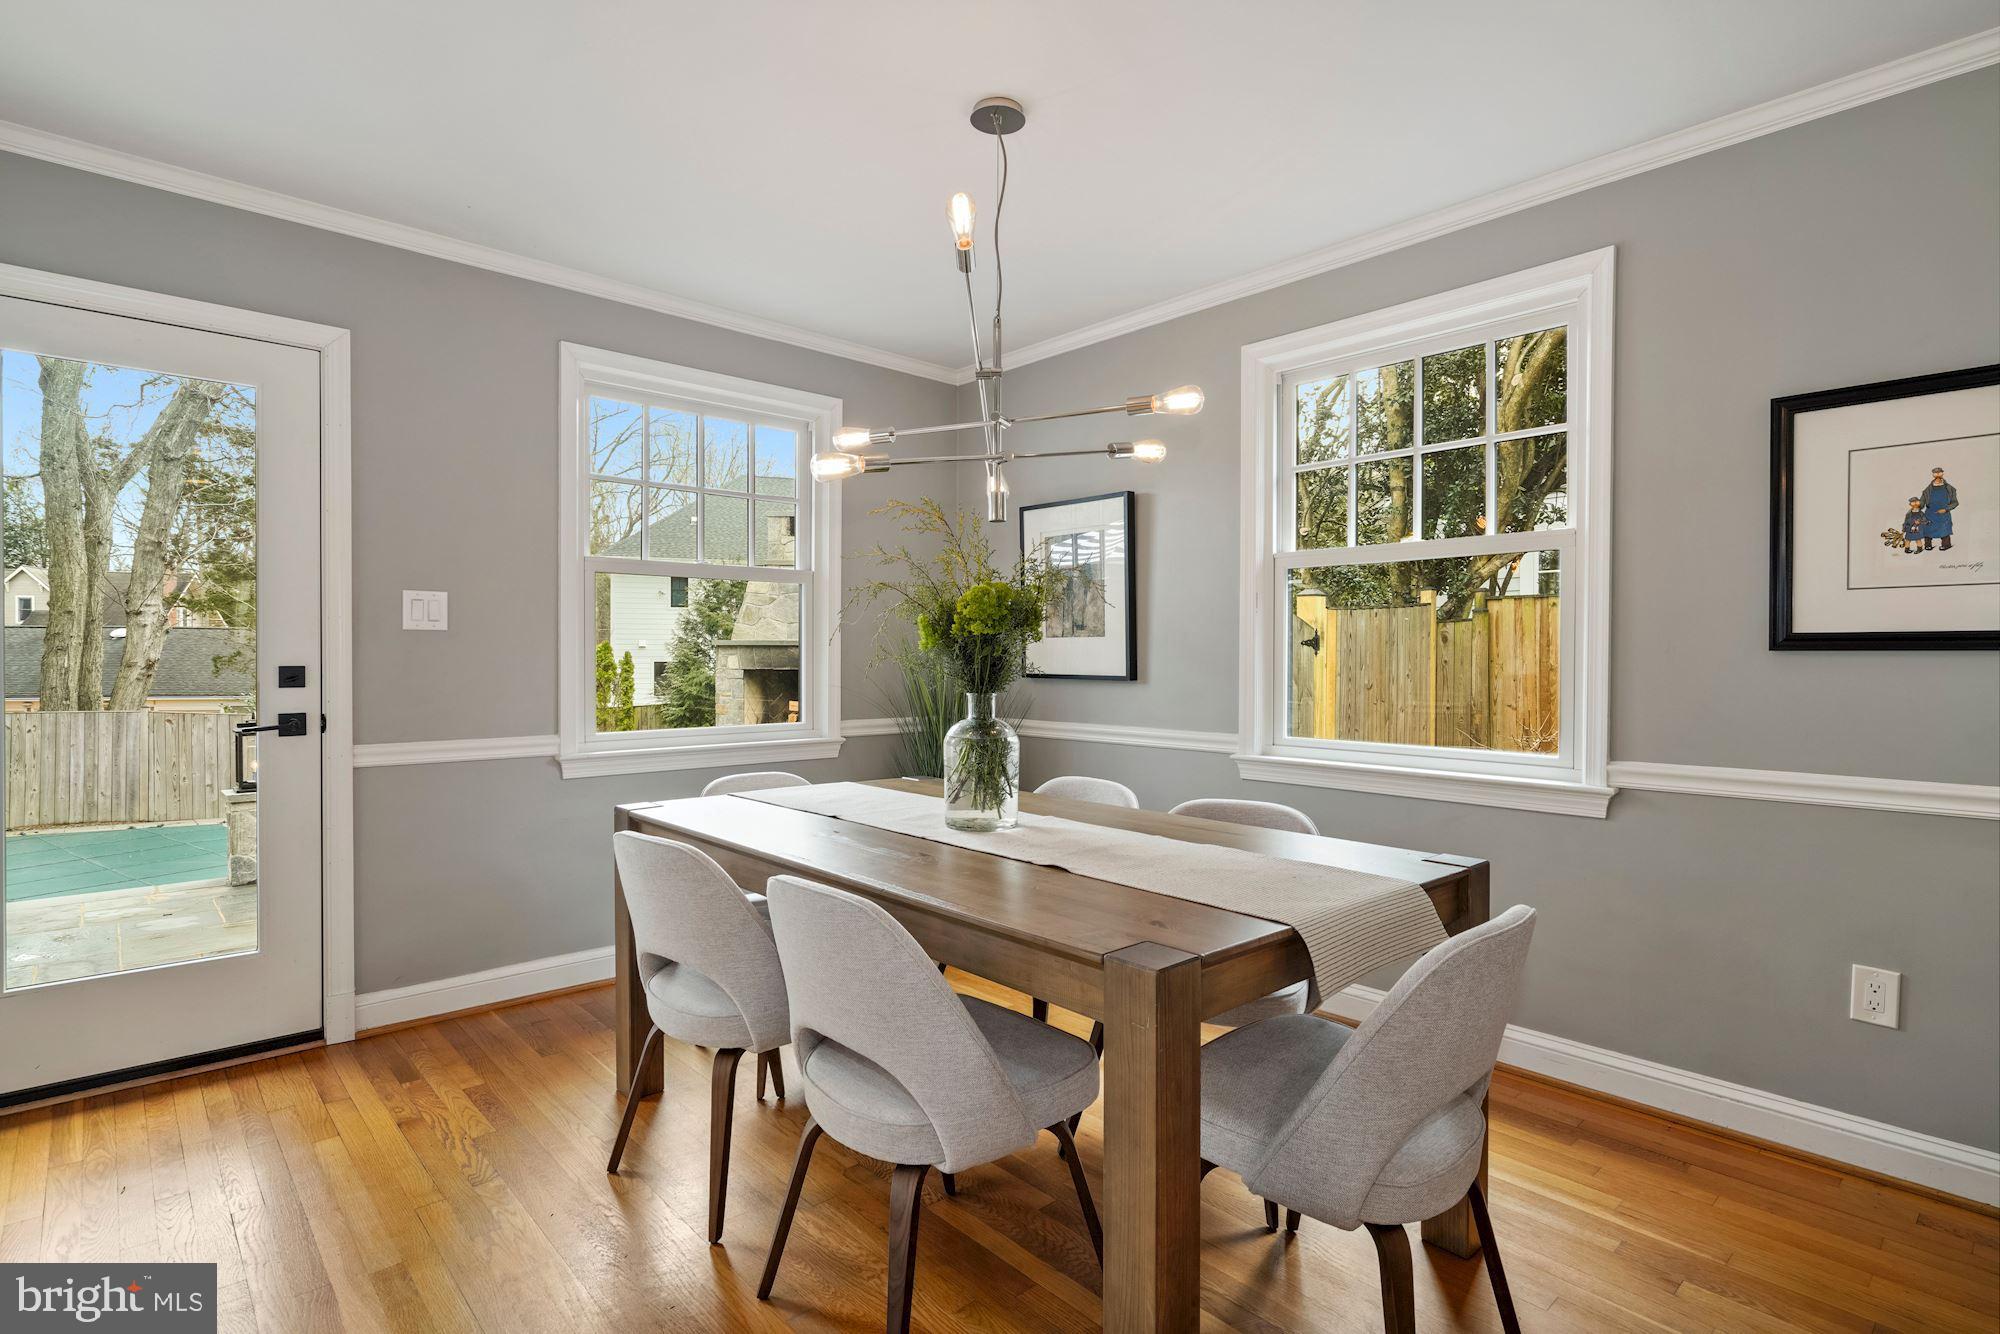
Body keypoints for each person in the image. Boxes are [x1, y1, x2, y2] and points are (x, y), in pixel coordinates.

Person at [1921, 466, 1959, 552]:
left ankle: (1946, 545)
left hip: (1944, 513)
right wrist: (1917, 507)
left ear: (1942, 473)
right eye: (1935, 472)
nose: (1937, 474)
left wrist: (1946, 509)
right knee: (1927, 528)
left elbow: (1955, 502)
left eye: (1939, 472)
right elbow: (1922, 502)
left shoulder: (1950, 489)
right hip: (1930, 513)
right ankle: (1927, 545)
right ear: (1933, 474)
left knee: (1944, 529)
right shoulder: (1927, 490)